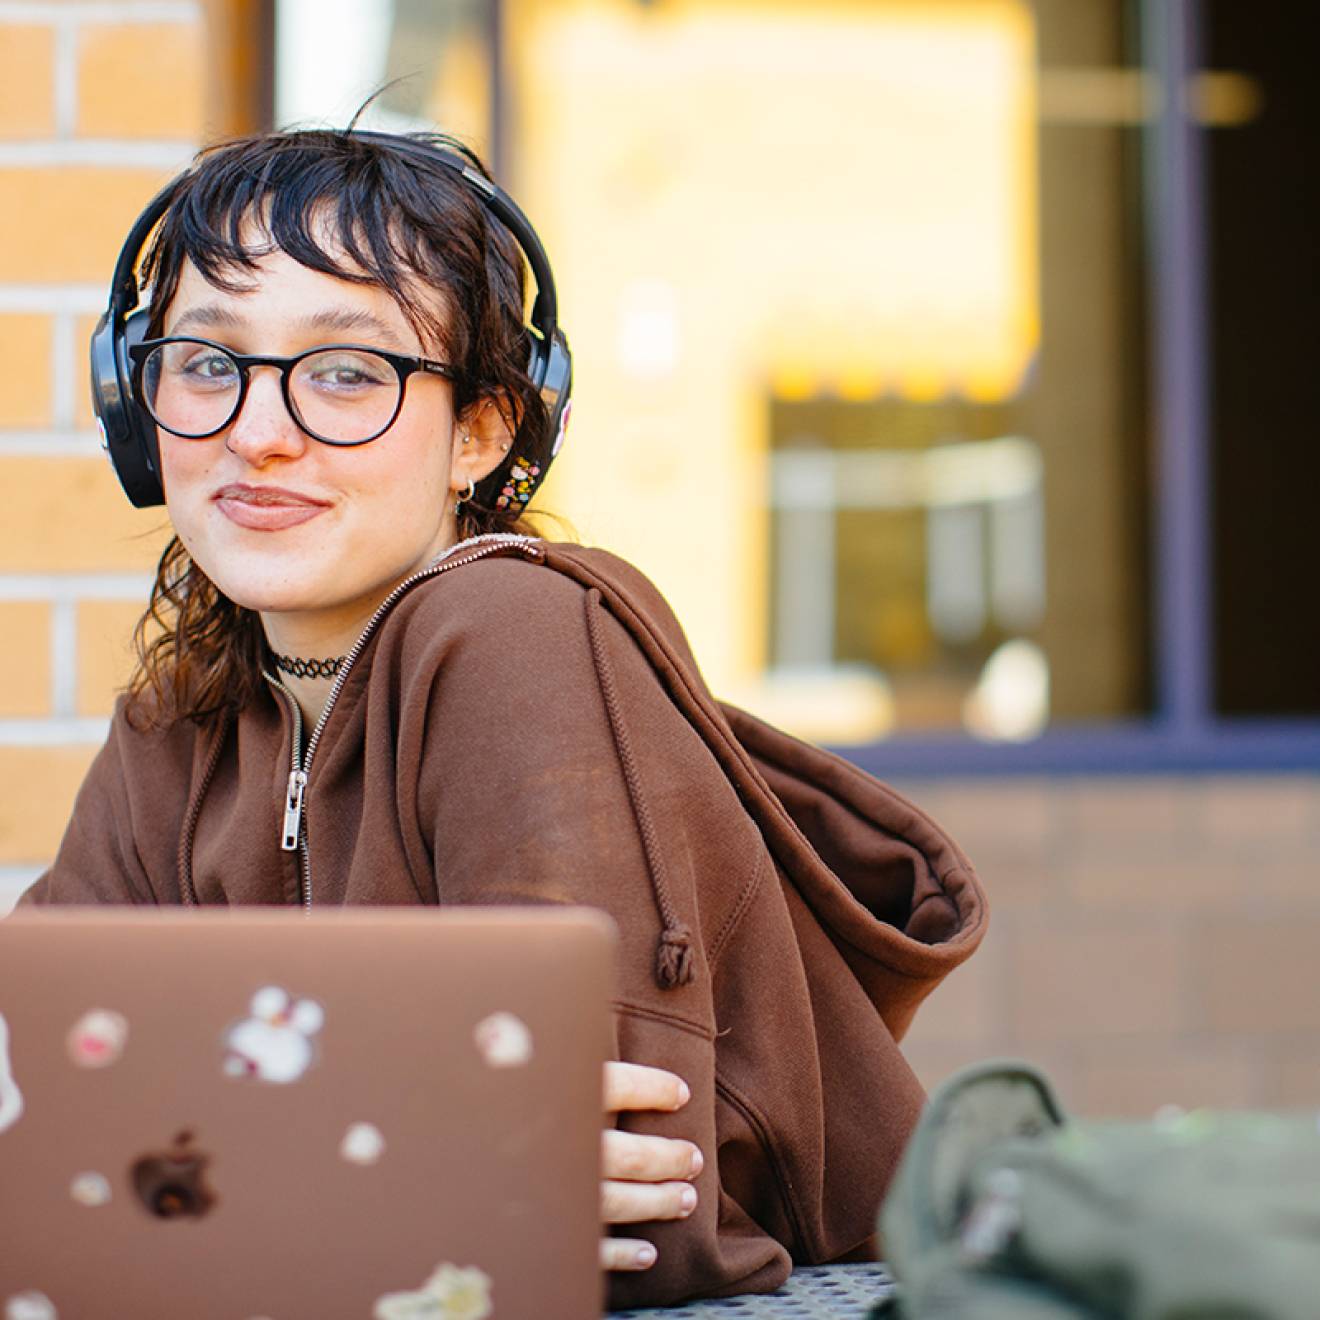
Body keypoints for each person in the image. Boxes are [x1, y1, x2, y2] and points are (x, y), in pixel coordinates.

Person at [19, 127, 987, 1309]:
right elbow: (50, 1115)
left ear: (482, 431)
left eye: (348, 373)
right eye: (206, 362)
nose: (257, 431)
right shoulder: (183, 719)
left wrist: (222, 1165)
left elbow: (614, 1215)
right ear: (137, 402)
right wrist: (387, 1162)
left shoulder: (513, 639)